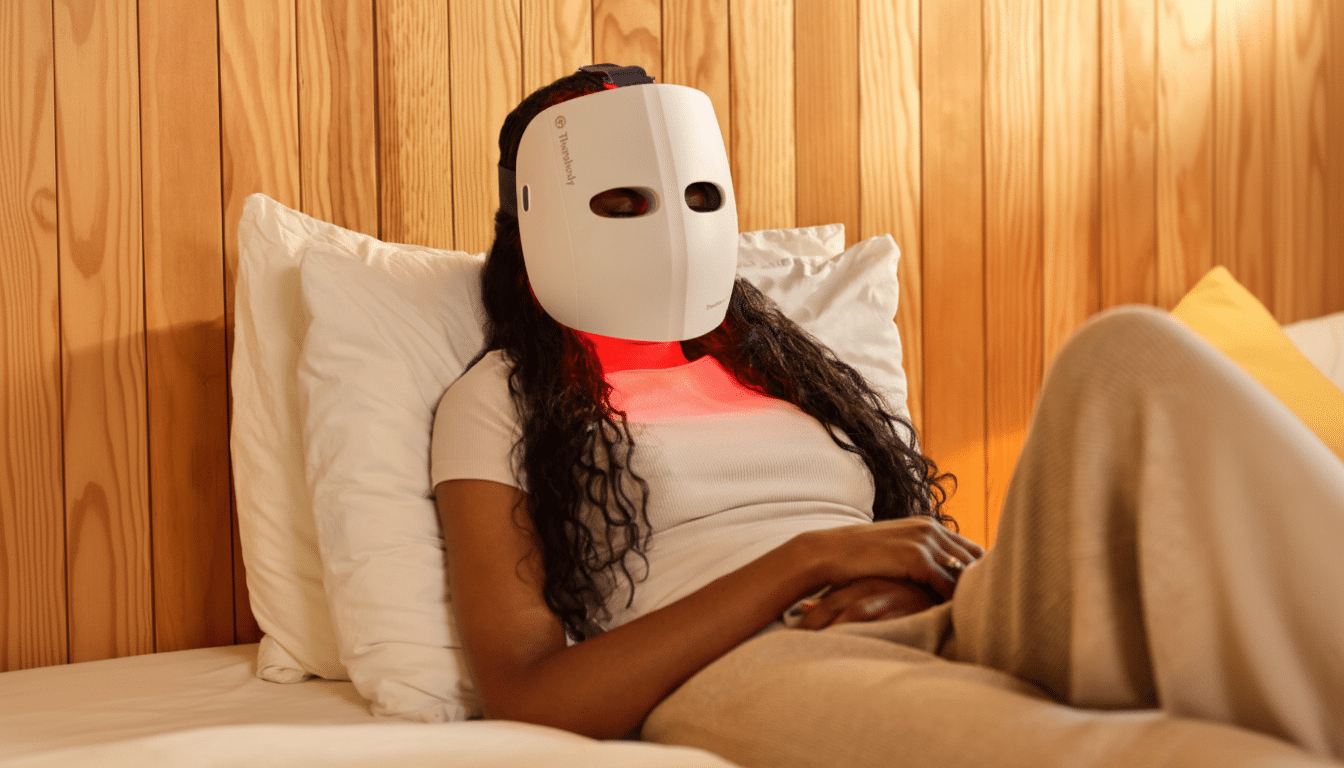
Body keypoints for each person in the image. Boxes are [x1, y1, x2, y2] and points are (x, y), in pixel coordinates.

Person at [432, 66, 1344, 762]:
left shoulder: (781, 368)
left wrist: (920, 576)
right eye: (619, 203)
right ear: (533, 222)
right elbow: (531, 696)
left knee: (1125, 350)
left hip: (939, 612)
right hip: (756, 665)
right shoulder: (501, 400)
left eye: (694, 197)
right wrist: (814, 558)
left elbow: (901, 531)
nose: (665, 229)